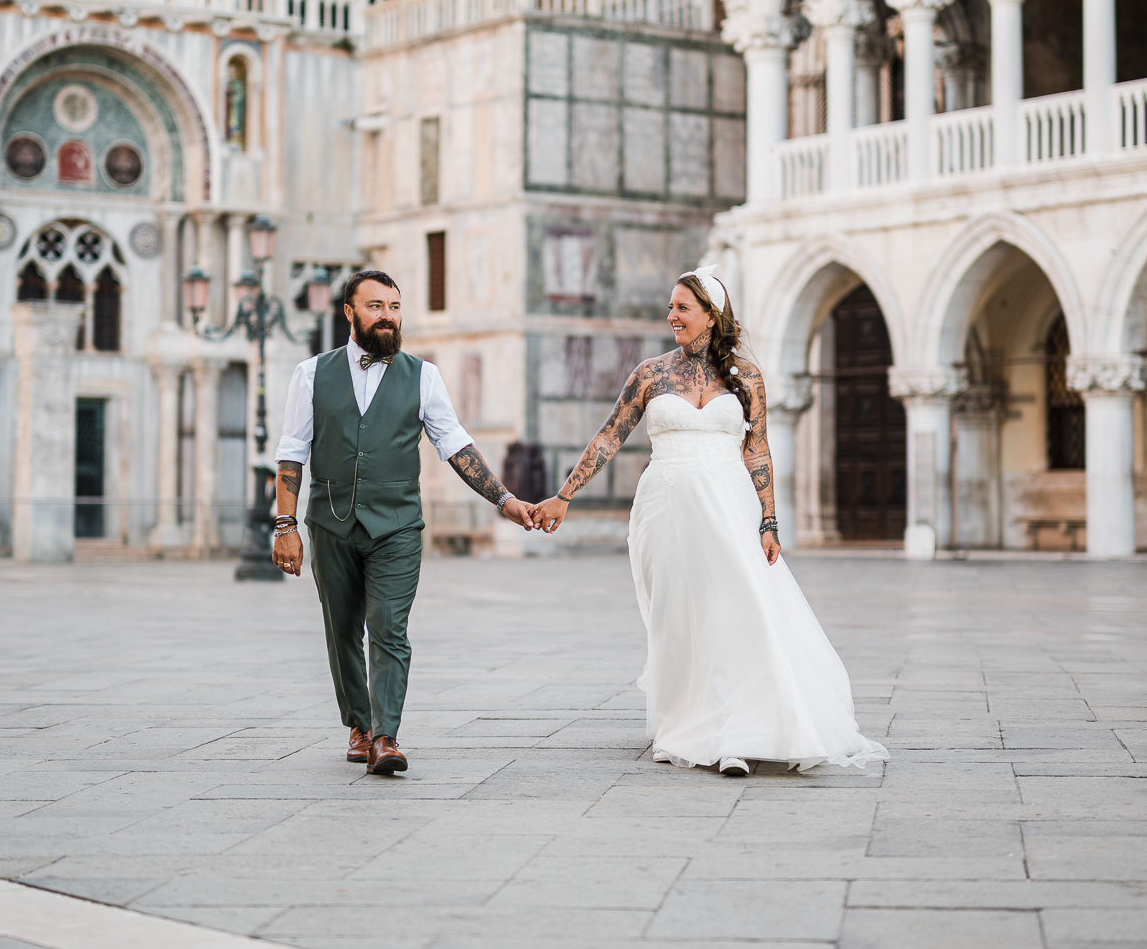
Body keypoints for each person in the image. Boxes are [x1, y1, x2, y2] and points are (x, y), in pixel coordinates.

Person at [533, 269, 888, 778]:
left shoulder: (746, 376)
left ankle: (738, 734)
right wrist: (564, 495)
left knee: (736, 609)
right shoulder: (651, 373)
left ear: (711, 315)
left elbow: (757, 448)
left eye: (682, 307)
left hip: (729, 507)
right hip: (665, 507)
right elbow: (609, 437)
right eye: (671, 306)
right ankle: (682, 724)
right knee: (676, 616)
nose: (671, 315)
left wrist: (769, 521)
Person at [272, 269, 535, 775]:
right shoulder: (311, 374)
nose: (388, 316)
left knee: (389, 627)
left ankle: (385, 736)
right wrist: (286, 526)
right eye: (376, 306)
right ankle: (359, 724)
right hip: (330, 524)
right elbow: (291, 453)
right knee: (342, 628)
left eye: (394, 306)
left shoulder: (423, 375)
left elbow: (455, 445)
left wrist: (504, 500)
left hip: (397, 526)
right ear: (349, 312)